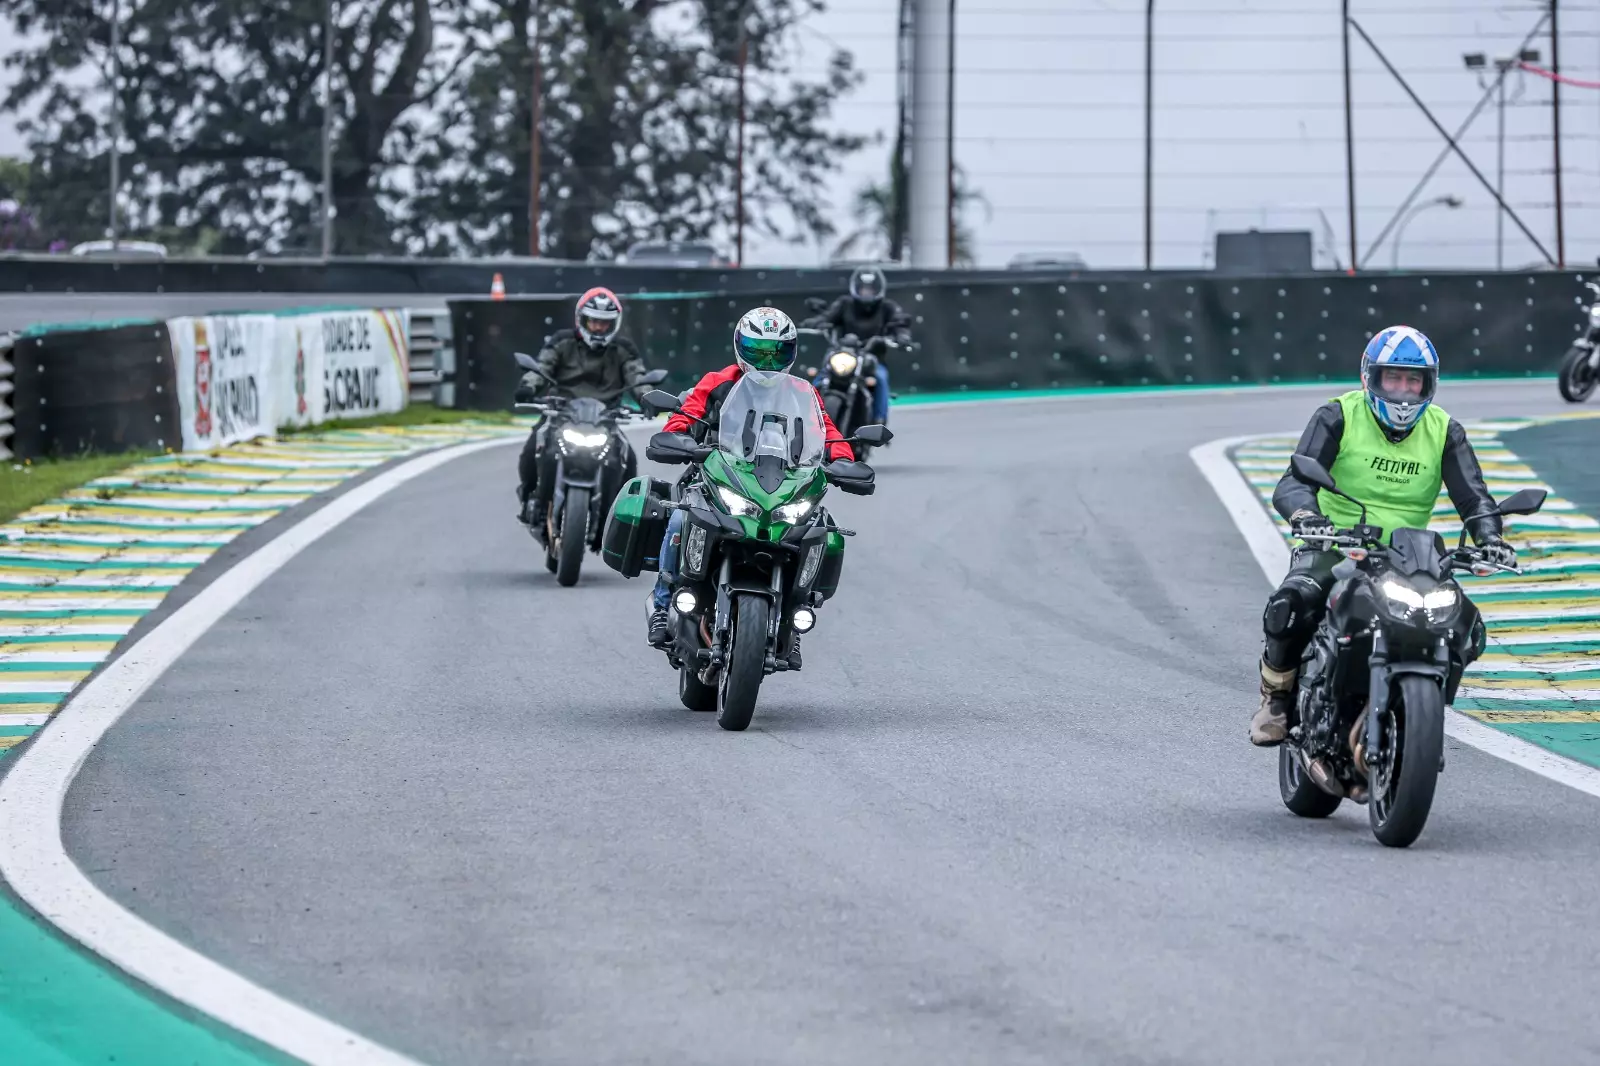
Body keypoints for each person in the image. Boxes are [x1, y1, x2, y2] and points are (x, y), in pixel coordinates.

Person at [1250, 324, 1517, 747]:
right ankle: (1277, 696)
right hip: (1337, 543)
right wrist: (1307, 517)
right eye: (1394, 378)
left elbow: (1474, 498)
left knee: (1466, 624)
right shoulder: (1337, 415)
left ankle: (1419, 704)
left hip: (1410, 554)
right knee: (1293, 601)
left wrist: (1491, 538)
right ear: (1369, 377)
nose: (1404, 392)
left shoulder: (1445, 430)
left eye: (1414, 381)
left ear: (1430, 384)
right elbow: (1292, 483)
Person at [645, 307, 858, 664]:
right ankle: (664, 604)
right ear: (740, 348)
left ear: (791, 353)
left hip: (780, 482)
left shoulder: (802, 393)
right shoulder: (717, 381)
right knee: (681, 518)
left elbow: (827, 429)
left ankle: (793, 613)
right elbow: (687, 415)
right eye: (759, 350)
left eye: (777, 352)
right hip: (718, 476)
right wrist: (677, 436)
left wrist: (845, 460)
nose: (768, 360)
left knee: (819, 527)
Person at [515, 287, 653, 529]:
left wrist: (648, 398)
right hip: (561, 414)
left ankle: (621, 521)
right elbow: (542, 367)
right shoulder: (562, 342)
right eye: (594, 321)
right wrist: (528, 386)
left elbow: (637, 376)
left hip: (604, 420)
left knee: (628, 458)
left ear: (614, 324)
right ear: (582, 319)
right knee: (531, 448)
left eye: (605, 323)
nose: (599, 328)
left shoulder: (624, 350)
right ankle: (529, 499)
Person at [804, 266, 912, 428]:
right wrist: (816, 322)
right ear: (856, 288)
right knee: (822, 376)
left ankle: (879, 422)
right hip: (842, 352)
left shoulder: (887, 307)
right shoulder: (845, 303)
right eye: (863, 289)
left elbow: (900, 322)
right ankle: (807, 416)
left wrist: (901, 336)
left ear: (878, 289)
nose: (866, 293)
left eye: (870, 289)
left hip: (872, 357)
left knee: (881, 379)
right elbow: (828, 316)